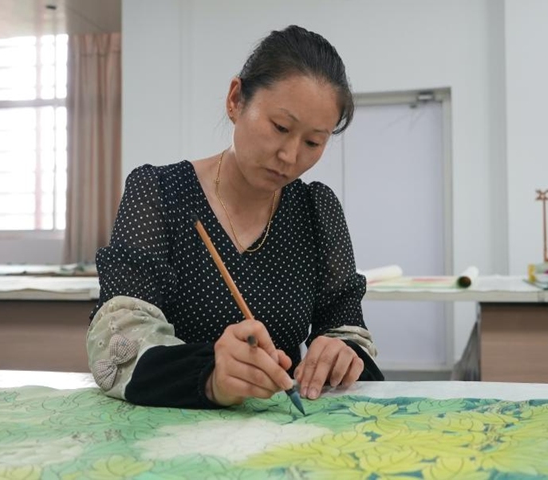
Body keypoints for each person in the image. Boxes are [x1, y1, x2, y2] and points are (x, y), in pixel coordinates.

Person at [87, 25, 383, 409]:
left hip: (277, 430)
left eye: (313, 142)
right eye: (280, 127)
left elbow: (347, 325)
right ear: (235, 100)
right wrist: (211, 376)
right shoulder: (159, 192)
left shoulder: (316, 210)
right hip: (168, 427)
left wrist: (342, 353)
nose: (290, 156)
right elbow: (118, 342)